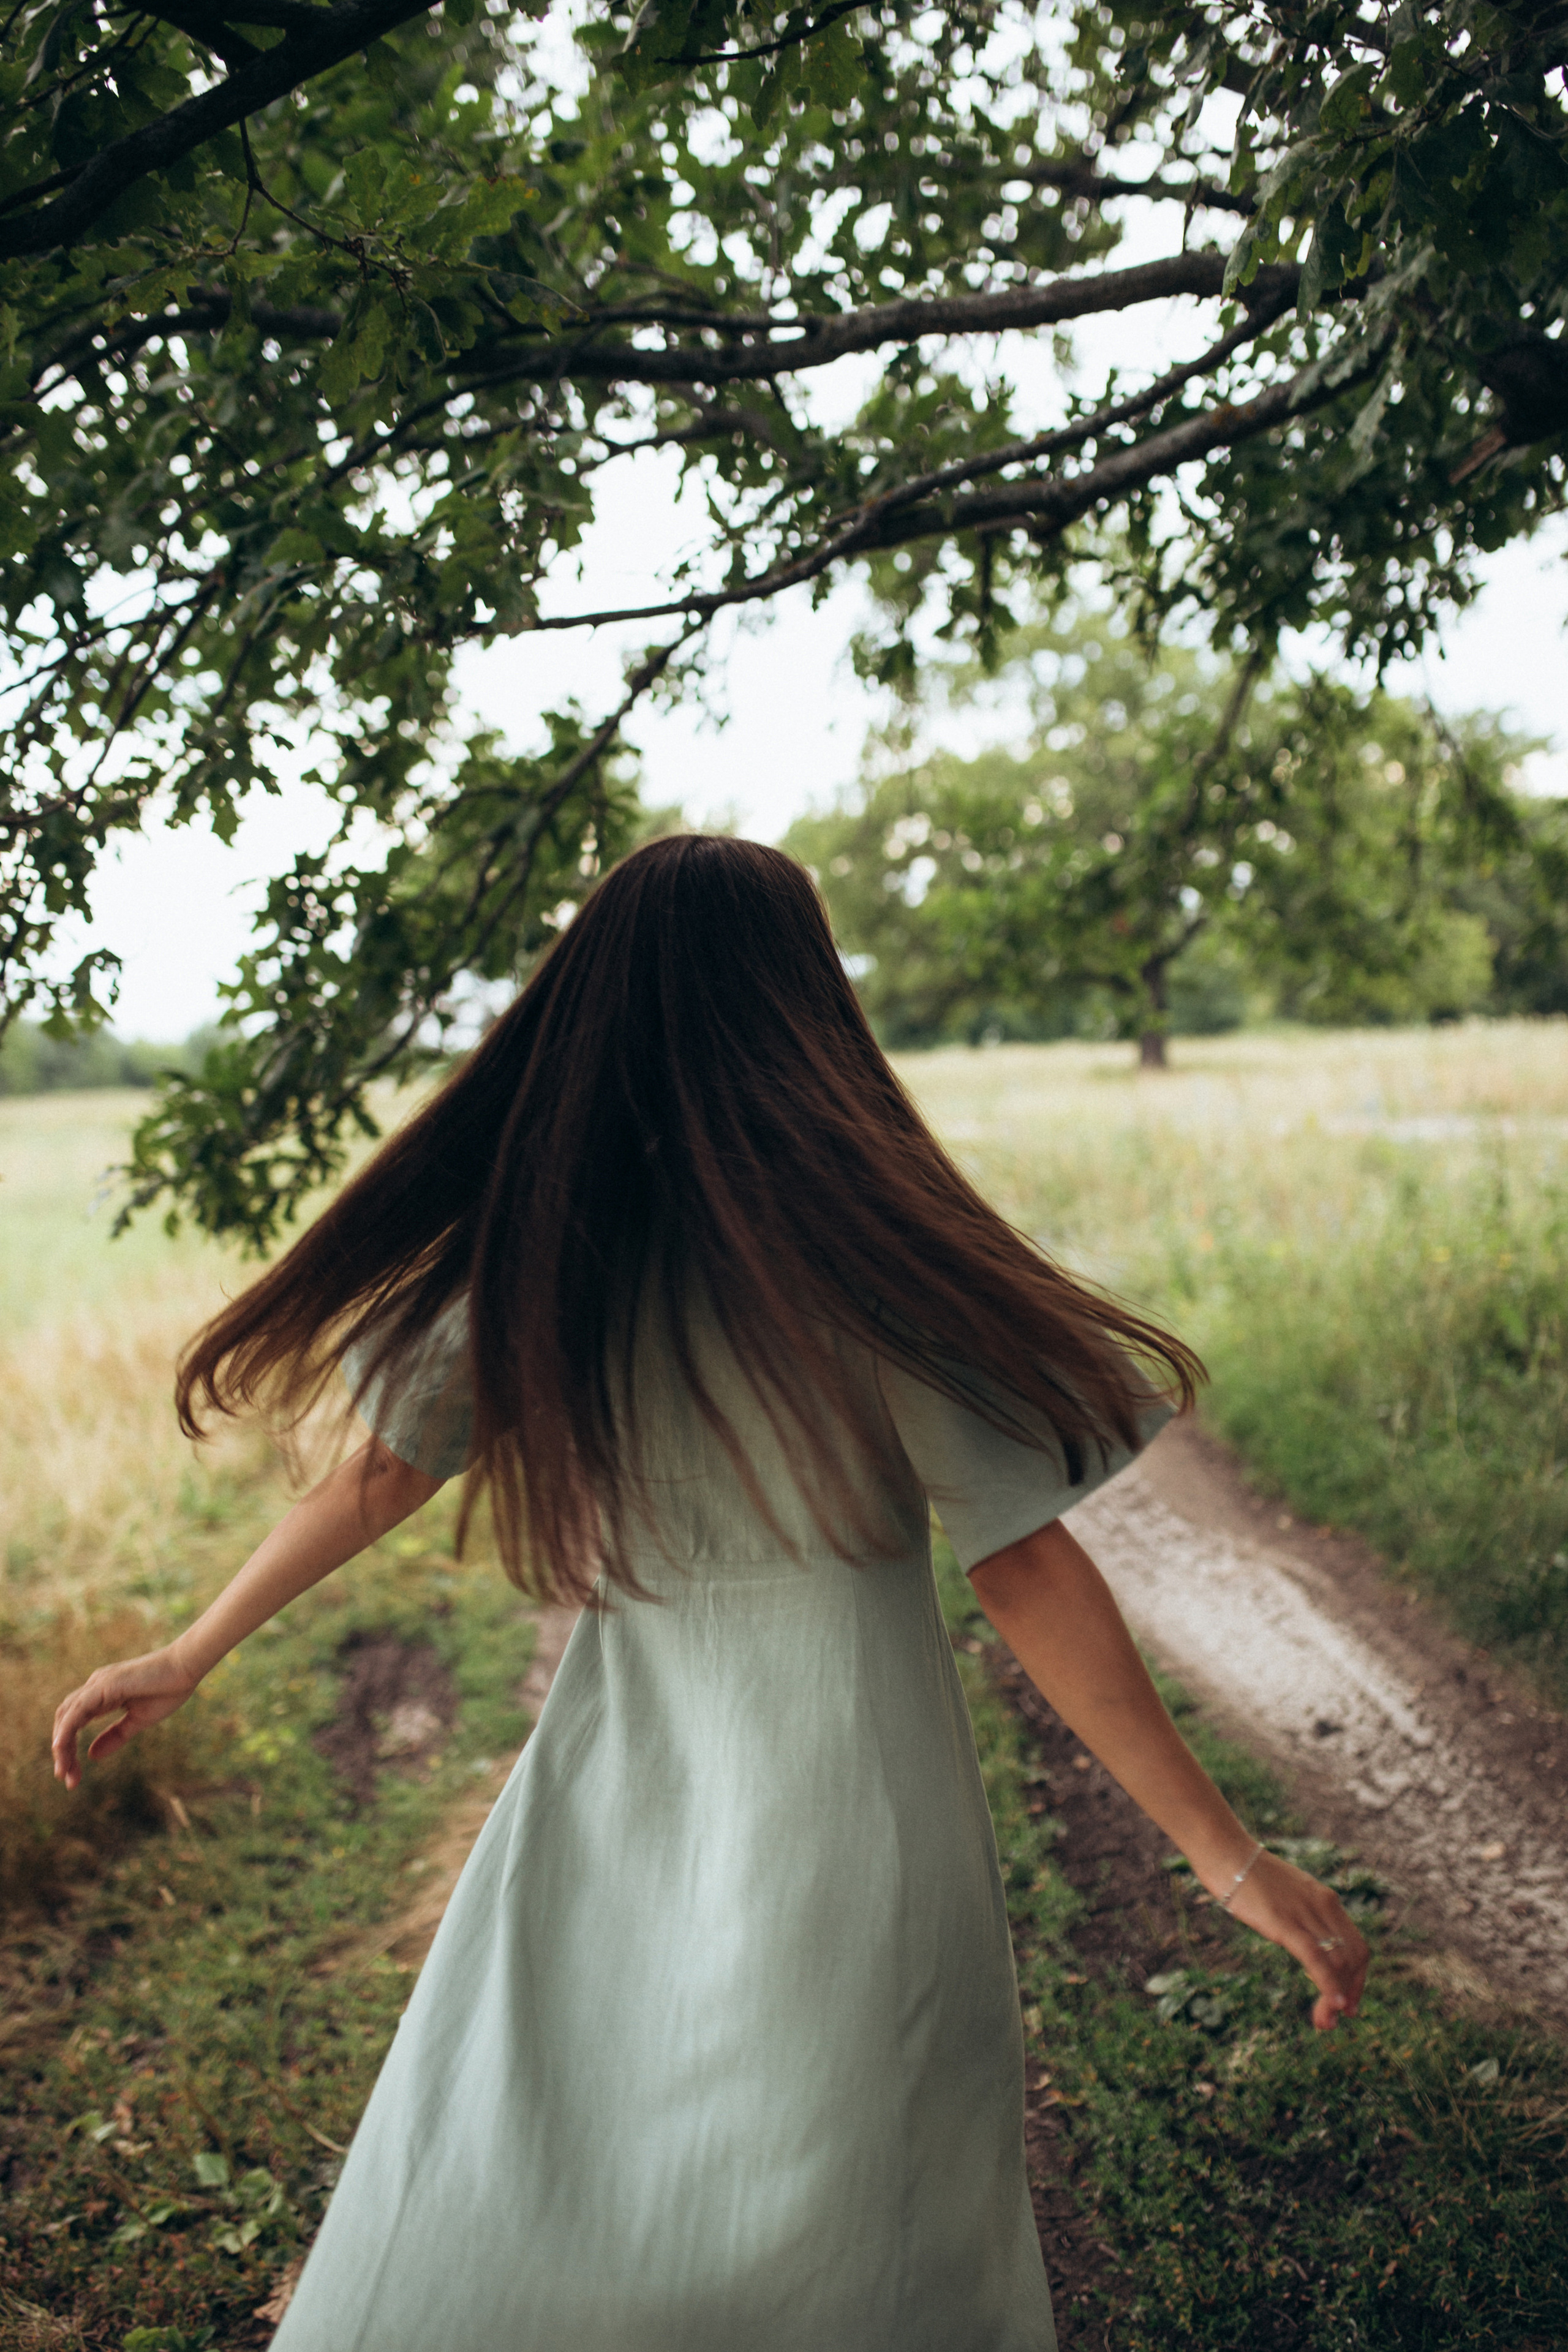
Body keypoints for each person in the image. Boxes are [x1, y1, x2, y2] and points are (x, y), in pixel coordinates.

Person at [52, 835, 1367, 2352]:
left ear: (592, 1008)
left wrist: (194, 1646)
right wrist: (1220, 1858)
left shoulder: (549, 1245)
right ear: (804, 1007)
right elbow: (1017, 1563)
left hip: (615, 1798)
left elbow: (376, 1475)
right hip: (856, 1820)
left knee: (531, 2167)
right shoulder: (865, 1251)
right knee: (857, 2236)